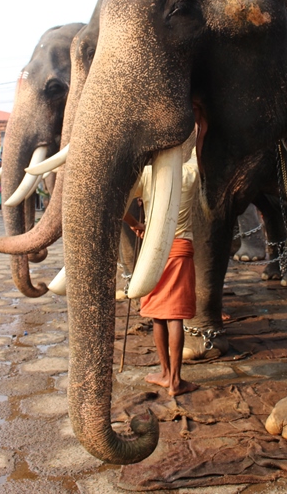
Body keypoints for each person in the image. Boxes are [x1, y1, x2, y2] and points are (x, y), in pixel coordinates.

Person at [124, 150, 200, 396]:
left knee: (157, 314)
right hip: (180, 247)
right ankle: (176, 380)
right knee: (174, 315)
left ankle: (166, 374)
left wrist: (136, 224)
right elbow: (199, 150)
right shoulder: (190, 173)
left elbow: (120, 205)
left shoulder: (147, 174)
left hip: (153, 250)